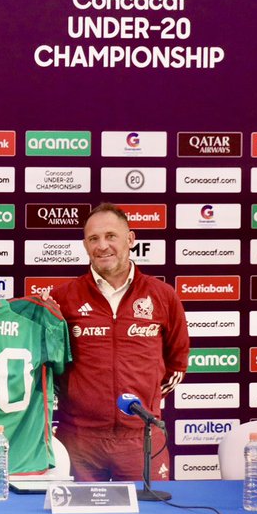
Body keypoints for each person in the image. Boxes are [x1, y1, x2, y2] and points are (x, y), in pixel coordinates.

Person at [49, 203, 189, 482]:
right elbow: (50, 364)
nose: (102, 246)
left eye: (111, 236)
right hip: (79, 439)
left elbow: (177, 362)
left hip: (141, 438)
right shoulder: (63, 297)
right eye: (93, 239)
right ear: (85, 245)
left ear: (130, 239)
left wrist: (145, 402)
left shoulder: (162, 295)